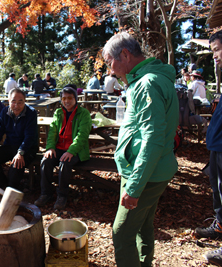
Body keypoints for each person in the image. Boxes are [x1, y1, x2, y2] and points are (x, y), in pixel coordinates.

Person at [102, 32, 179, 267]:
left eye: (110, 63)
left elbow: (152, 139)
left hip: (146, 175)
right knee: (143, 225)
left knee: (122, 232)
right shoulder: (150, 79)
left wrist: (134, 187)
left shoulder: (146, 84)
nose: (110, 71)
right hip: (150, 171)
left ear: (124, 55)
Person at [34, 86, 92, 210]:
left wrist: (71, 151)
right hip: (59, 148)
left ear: (76, 99)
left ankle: (62, 195)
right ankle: (46, 193)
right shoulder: (58, 112)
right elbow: (53, 132)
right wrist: (50, 148)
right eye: (64, 98)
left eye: (70, 98)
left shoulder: (83, 113)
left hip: (77, 150)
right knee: (46, 161)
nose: (67, 101)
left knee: (64, 162)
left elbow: (82, 136)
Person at [194, 30, 222, 266]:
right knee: (217, 189)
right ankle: (220, 225)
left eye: (217, 50)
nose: (215, 57)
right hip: (217, 145)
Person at [0, 88, 38, 190]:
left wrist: (20, 153)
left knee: (16, 165)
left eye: (20, 102)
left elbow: (29, 136)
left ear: (24, 101)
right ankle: (1, 186)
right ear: (9, 101)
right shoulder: (5, 112)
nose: (16, 106)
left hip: (27, 148)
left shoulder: (31, 113)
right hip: (10, 146)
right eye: (13, 102)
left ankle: (11, 189)